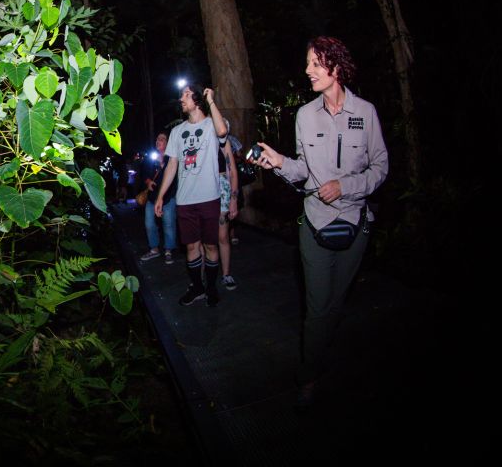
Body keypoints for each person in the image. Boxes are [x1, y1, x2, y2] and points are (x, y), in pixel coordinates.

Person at [248, 36, 388, 410]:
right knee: (317, 307)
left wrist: (345, 186)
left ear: (335, 67)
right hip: (314, 223)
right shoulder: (304, 116)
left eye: (314, 63)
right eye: (308, 63)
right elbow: (303, 172)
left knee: (335, 304)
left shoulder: (366, 113)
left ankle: (324, 357)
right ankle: (309, 375)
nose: (307, 70)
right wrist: (279, 163)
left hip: (356, 223)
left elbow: (380, 168)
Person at [155, 83, 229, 307]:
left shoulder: (211, 124)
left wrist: (212, 101)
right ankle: (197, 287)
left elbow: (223, 132)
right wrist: (161, 196)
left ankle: (211, 287)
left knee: (211, 246)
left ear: (197, 99)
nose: (181, 99)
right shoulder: (177, 132)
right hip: (185, 200)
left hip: (209, 198)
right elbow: (171, 166)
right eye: (181, 96)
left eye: (186, 95)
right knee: (190, 247)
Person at [140, 132, 177, 264]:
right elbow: (143, 173)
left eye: (161, 139)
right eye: (157, 138)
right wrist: (148, 182)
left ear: (167, 142)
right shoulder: (151, 158)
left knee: (168, 224)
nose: (158, 141)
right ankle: (154, 249)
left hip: (168, 197)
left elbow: (175, 177)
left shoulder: (172, 158)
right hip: (152, 197)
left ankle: (168, 250)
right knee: (149, 224)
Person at [217, 134, 241, 290]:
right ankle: (202, 278)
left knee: (223, 236)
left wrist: (234, 200)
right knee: (204, 239)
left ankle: (226, 274)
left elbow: (232, 172)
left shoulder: (223, 143)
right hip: (202, 191)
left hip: (221, 189)